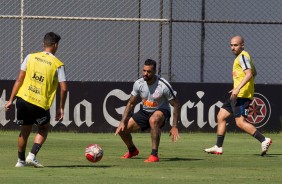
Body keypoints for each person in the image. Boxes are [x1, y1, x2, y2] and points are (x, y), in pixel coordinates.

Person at [5, 32, 68, 168]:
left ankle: (20, 161)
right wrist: (61, 107)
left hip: (23, 99)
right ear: (56, 45)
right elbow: (63, 88)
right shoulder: (58, 64)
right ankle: (31, 156)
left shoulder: (30, 57)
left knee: (25, 130)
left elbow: (19, 79)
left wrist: (10, 100)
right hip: (40, 103)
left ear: (43, 44)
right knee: (43, 128)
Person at [204, 35, 272, 156]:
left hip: (241, 94)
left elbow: (249, 74)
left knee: (240, 122)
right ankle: (218, 147)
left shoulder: (243, 57)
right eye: (231, 45)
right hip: (237, 94)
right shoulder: (243, 57)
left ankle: (264, 140)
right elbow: (254, 72)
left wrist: (239, 87)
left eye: (236, 45)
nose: (232, 48)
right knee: (221, 116)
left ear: (242, 45)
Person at [115, 59, 180, 162]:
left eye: (149, 72)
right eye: (144, 70)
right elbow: (131, 103)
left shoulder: (163, 85)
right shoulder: (139, 83)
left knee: (153, 120)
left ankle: (154, 154)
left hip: (162, 110)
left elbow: (176, 104)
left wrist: (174, 126)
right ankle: (132, 150)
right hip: (145, 111)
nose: (145, 73)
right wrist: (122, 121)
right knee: (122, 130)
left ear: (155, 72)